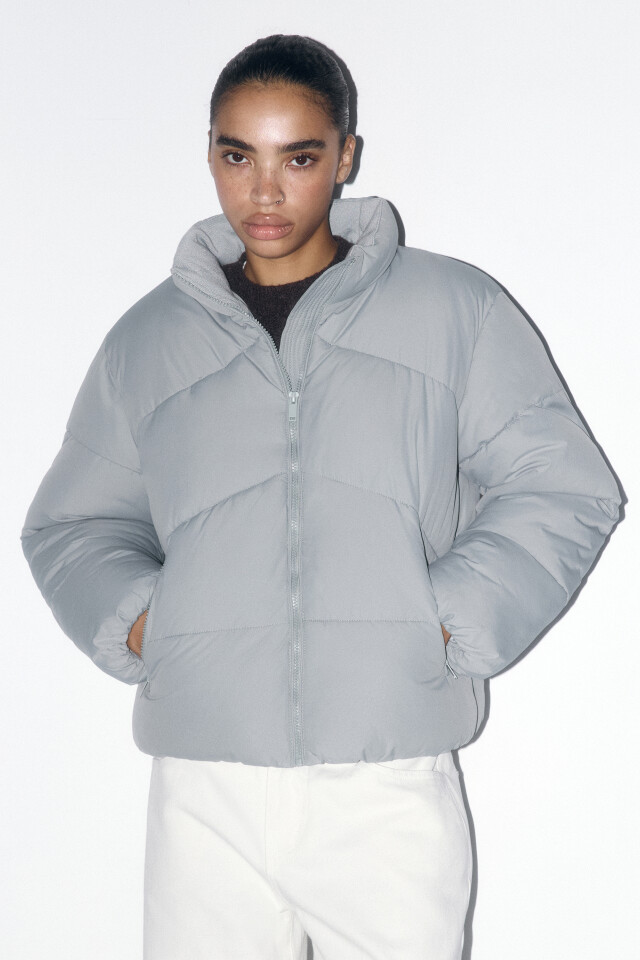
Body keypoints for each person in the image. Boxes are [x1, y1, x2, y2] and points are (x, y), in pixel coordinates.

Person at [20, 33, 621, 960]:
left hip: (383, 786)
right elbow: (73, 523)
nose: (264, 192)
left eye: (298, 158)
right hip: (205, 782)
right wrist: (148, 623)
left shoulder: (454, 310)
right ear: (210, 155)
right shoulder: (148, 340)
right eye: (238, 157)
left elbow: (564, 484)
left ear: (345, 158)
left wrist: (443, 621)